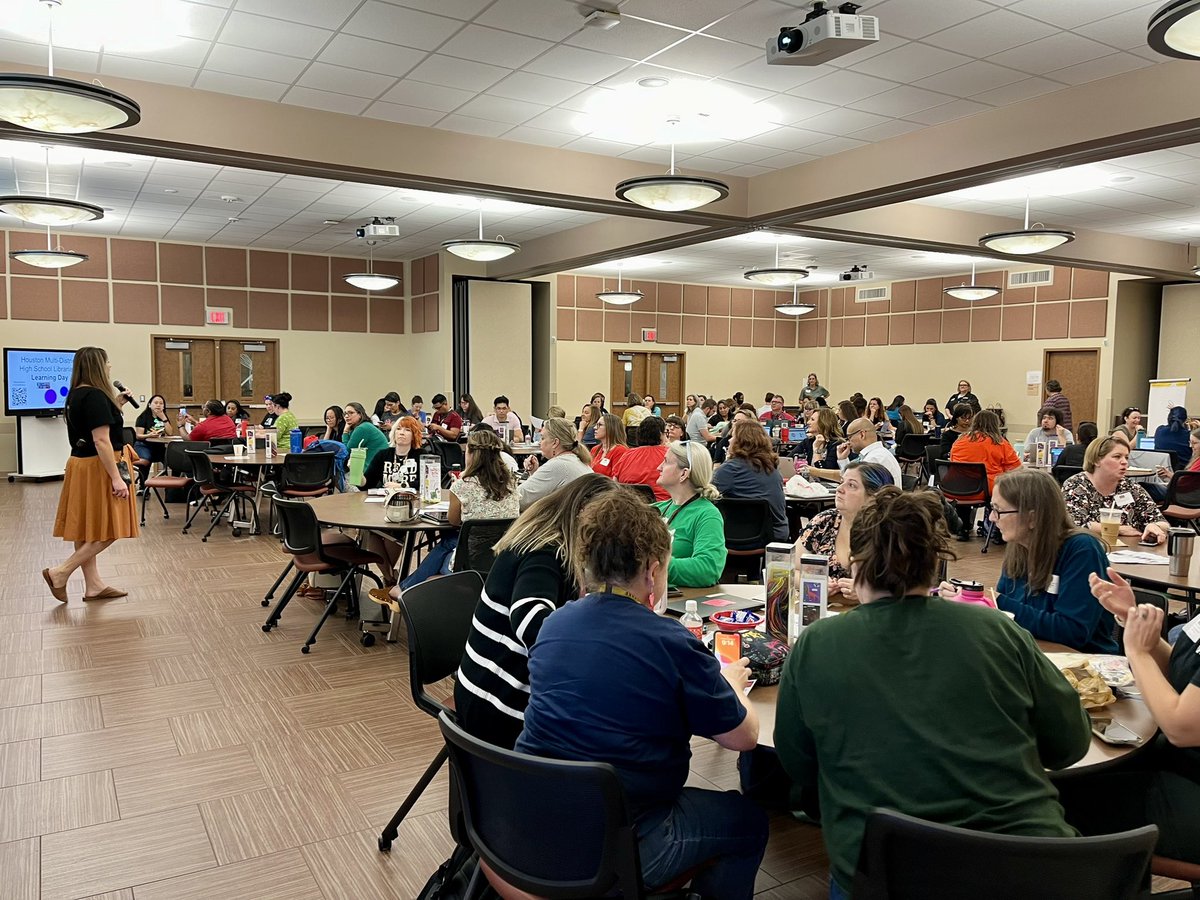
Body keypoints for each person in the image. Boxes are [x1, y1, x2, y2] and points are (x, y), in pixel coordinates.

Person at [775, 488, 1091, 900]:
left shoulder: (817, 643)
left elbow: (799, 764)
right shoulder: (997, 630)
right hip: (1031, 864)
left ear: (855, 565)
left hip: (888, 871)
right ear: (936, 562)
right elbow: (1069, 744)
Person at [516, 489, 766, 900]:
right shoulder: (670, 641)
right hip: (618, 839)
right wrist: (735, 689)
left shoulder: (554, 624)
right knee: (747, 821)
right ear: (652, 572)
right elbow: (744, 738)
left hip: (530, 817)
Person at [454, 474, 620, 749]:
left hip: (484, 685)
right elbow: (530, 621)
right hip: (497, 703)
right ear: (583, 515)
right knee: (612, 733)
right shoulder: (546, 551)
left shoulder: (546, 539)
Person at [1054, 567, 1200, 866]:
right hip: (1178, 765)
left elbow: (1181, 727)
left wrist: (1138, 652)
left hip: (1192, 791)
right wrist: (1133, 620)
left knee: (1051, 804)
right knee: (1067, 778)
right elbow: (1182, 674)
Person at [942, 469, 1116, 653]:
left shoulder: (1082, 550)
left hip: (1085, 666)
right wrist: (970, 601)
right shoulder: (1018, 548)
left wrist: (994, 601)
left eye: (998, 510)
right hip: (1032, 655)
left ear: (1032, 517)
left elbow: (1072, 632)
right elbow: (1008, 619)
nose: (992, 518)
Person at [369, 428, 520, 608]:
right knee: (450, 542)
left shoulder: (463, 485)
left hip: (468, 564)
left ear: (471, 454)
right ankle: (404, 589)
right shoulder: (511, 483)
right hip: (502, 560)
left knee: (447, 543)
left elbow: (454, 521)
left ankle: (404, 589)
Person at [45, 346, 139, 603]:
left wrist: (116, 405)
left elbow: (92, 430)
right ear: (99, 366)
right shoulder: (96, 395)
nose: (110, 367)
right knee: (111, 527)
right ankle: (61, 572)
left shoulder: (76, 395)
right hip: (100, 466)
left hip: (80, 464)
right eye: (107, 363)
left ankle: (94, 585)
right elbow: (101, 441)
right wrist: (116, 478)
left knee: (88, 528)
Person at [799, 462, 894, 602]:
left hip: (874, 615)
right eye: (842, 482)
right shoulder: (824, 521)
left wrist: (869, 591)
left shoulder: (891, 531)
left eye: (852, 485)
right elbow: (791, 569)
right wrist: (815, 583)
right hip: (827, 611)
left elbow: (908, 586)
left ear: (874, 496)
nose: (839, 489)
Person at [1061, 436, 1169, 544]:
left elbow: (1163, 523)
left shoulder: (1129, 487)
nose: (1124, 462)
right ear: (1097, 460)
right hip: (1089, 549)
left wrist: (1154, 526)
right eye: (1117, 457)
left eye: (1126, 457)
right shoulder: (1076, 485)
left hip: (1131, 552)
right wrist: (1119, 529)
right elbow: (1072, 524)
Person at [654, 441, 726, 587]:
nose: (659, 467)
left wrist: (653, 566)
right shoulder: (655, 509)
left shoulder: (707, 515)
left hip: (681, 601)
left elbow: (708, 569)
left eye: (666, 462)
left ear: (684, 473)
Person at [712, 419, 788, 542]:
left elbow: (705, 493)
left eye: (733, 437)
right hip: (775, 535)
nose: (729, 440)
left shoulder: (730, 469)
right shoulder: (772, 468)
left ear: (742, 442)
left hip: (736, 536)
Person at [519, 417, 592, 509]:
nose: (539, 443)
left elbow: (519, 499)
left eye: (542, 438)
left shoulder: (558, 465)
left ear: (555, 442)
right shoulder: (577, 460)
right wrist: (534, 473)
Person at [949, 408, 1020, 494]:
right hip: (985, 490)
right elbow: (1017, 469)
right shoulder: (999, 442)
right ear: (995, 425)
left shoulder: (960, 440)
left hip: (955, 487)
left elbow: (952, 460)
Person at [613, 417, 671, 500]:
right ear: (660, 434)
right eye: (666, 433)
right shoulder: (669, 454)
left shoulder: (627, 454)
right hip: (662, 507)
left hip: (629, 505)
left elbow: (615, 483)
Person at [364, 415, 425, 491]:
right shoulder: (382, 455)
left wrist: (402, 486)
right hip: (386, 498)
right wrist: (357, 473)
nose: (401, 433)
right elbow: (367, 485)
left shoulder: (421, 455)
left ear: (414, 435)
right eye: (398, 429)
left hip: (413, 498)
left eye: (407, 430)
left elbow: (427, 481)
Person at [835, 418, 903, 486]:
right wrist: (843, 459)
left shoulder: (874, 459)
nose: (848, 442)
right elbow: (850, 479)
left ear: (862, 435)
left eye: (849, 437)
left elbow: (855, 485)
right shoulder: (878, 453)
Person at [343, 401, 389, 486]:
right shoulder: (365, 425)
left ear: (360, 414)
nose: (346, 416)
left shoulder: (362, 428)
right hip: (378, 469)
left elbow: (346, 451)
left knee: (341, 479)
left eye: (351, 413)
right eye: (345, 413)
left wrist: (345, 432)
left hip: (371, 473)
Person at [133, 394, 181, 464]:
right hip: (144, 445)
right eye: (156, 403)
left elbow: (170, 433)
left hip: (159, 446)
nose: (158, 405)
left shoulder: (164, 417)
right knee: (146, 459)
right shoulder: (142, 417)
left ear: (163, 406)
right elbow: (138, 436)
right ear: (149, 405)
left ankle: (173, 475)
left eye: (161, 403)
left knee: (175, 459)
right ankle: (142, 475)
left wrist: (164, 418)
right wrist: (149, 435)